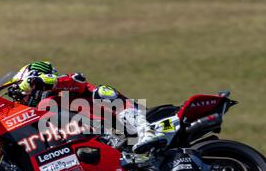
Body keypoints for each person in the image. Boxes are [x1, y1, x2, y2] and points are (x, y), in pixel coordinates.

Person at [9, 61, 166, 153]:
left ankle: (146, 131)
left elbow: (79, 80)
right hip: (101, 140)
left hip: (123, 122)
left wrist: (44, 82)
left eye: (22, 89)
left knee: (103, 92)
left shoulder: (61, 87)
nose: (23, 97)